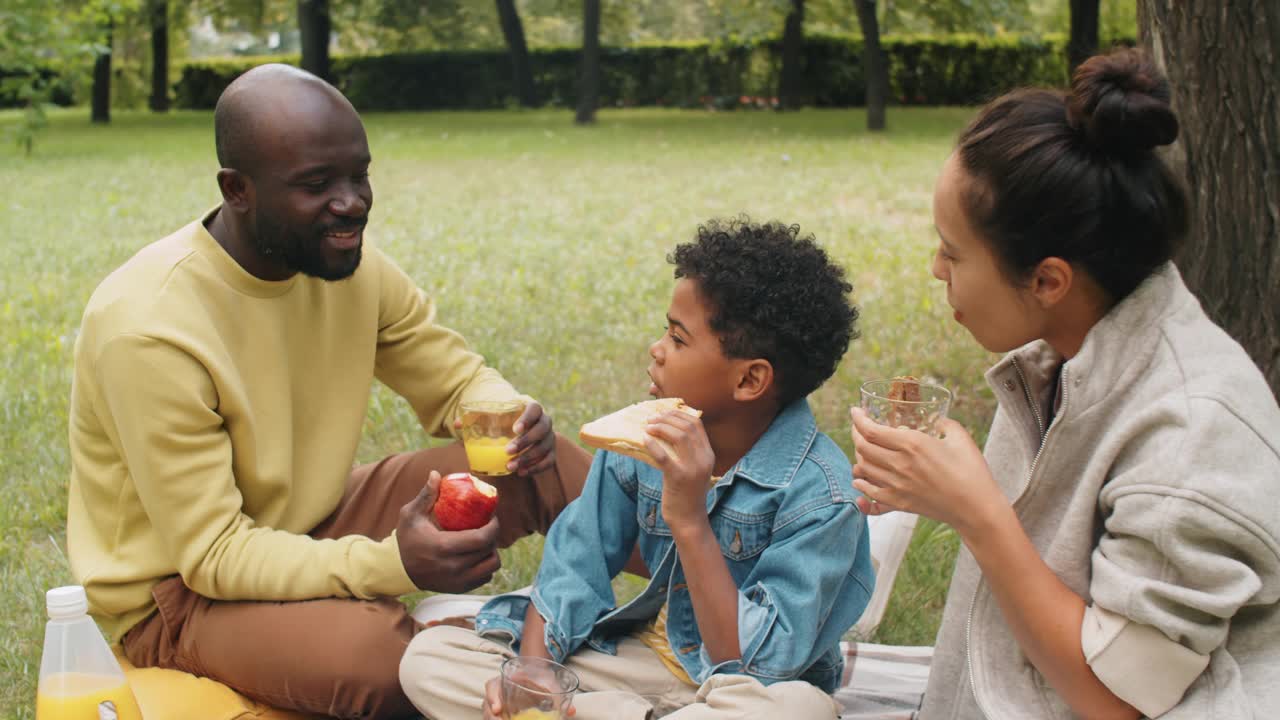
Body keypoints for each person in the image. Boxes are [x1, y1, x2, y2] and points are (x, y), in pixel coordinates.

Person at [65, 64, 594, 719]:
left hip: (311, 520)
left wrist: (508, 415)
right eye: (317, 184)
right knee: (382, 662)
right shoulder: (148, 326)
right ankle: (508, 669)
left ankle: (729, 609)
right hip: (178, 598)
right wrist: (391, 565)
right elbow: (215, 555)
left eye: (359, 174)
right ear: (238, 190)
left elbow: (457, 381)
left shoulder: (345, 262)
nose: (352, 203)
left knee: (546, 467)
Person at [849, 48, 1280, 719]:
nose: (937, 270)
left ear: (1048, 281)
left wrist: (979, 511)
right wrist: (941, 488)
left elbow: (1117, 700)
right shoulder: (1065, 353)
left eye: (953, 251)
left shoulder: (1192, 436)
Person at [400, 218, 874, 719]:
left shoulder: (822, 496)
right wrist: (535, 674)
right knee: (430, 660)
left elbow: (755, 665)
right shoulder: (638, 441)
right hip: (638, 664)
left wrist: (689, 517)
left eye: (678, 338)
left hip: (746, 690)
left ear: (750, 379)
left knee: (798, 711)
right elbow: (575, 562)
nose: (656, 348)